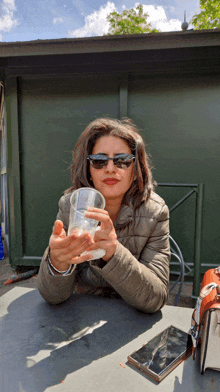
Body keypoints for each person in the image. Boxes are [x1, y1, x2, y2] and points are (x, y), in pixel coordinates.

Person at [37, 118, 170, 313]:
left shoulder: (154, 212)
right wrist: (58, 264)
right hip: (81, 316)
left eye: (122, 160)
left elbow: (155, 300)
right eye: (99, 161)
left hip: (132, 316)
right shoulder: (70, 206)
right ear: (89, 170)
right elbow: (52, 297)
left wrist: (114, 253)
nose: (110, 168)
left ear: (135, 170)